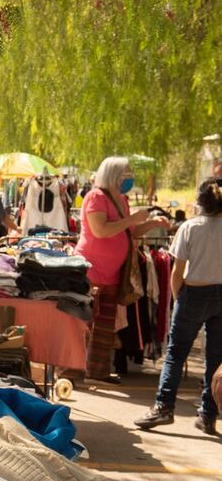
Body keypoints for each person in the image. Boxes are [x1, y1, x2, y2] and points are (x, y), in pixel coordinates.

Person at [135, 178, 222, 434]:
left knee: (176, 353)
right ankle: (208, 414)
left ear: (201, 201)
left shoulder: (190, 227)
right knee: (216, 357)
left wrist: (178, 297)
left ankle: (163, 407)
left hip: (193, 293)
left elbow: (177, 271)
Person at [73, 156, 169, 384]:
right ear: (113, 174)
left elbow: (131, 232)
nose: (130, 177)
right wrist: (132, 219)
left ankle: (98, 371)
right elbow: (100, 231)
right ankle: (71, 372)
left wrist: (153, 223)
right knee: (83, 325)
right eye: (126, 174)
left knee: (105, 327)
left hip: (113, 274)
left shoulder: (121, 200)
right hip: (91, 272)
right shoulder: (95, 197)